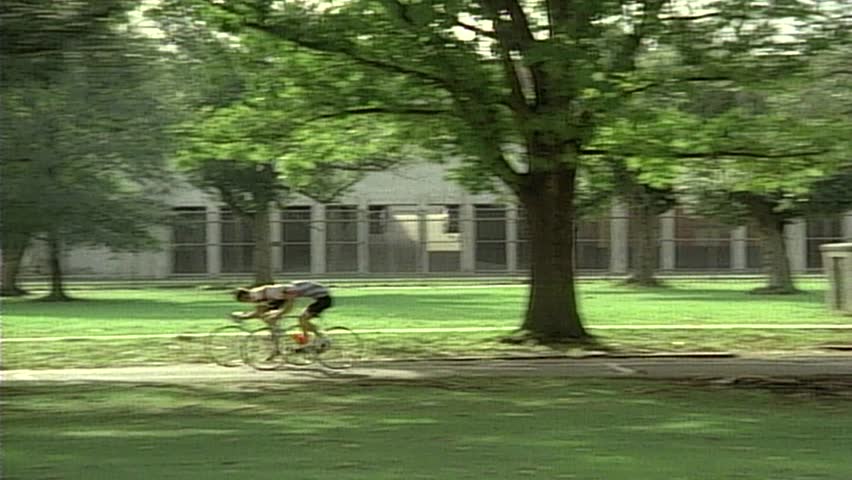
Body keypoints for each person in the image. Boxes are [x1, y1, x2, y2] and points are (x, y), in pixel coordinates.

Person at [231, 281, 333, 352]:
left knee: (302, 319)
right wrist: (242, 317)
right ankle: (281, 344)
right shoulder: (262, 294)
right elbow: (259, 312)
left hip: (322, 298)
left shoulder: (272, 292)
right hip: (296, 293)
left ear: (247, 296)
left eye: (246, 300)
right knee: (270, 318)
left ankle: (322, 339)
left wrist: (278, 314)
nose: (249, 302)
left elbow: (290, 304)